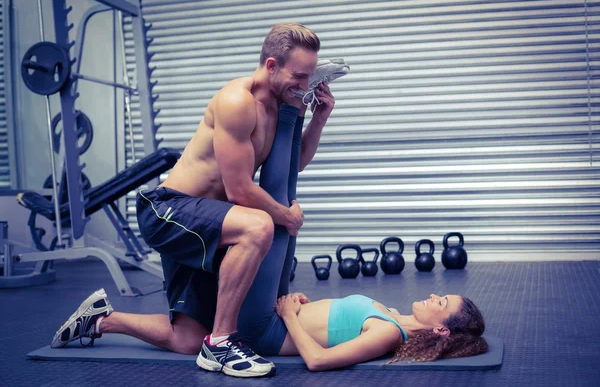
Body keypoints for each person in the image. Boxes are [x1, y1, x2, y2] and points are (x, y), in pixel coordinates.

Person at [49, 23, 343, 378]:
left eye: (309, 77)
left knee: (186, 340)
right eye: (299, 76)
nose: (304, 86)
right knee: (259, 224)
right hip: (169, 211)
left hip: (209, 223)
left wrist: (318, 120)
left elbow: (294, 164)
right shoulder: (238, 102)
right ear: (270, 65)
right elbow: (239, 192)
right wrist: (287, 216)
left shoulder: (273, 108)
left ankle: (101, 320)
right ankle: (220, 342)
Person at [274, 292, 488, 371]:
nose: (433, 295)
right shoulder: (391, 312)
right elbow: (334, 324)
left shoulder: (389, 332)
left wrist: (290, 315)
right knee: (282, 228)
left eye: (441, 302)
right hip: (276, 316)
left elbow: (317, 360)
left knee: (270, 229)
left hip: (267, 331)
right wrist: (306, 305)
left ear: (441, 329)